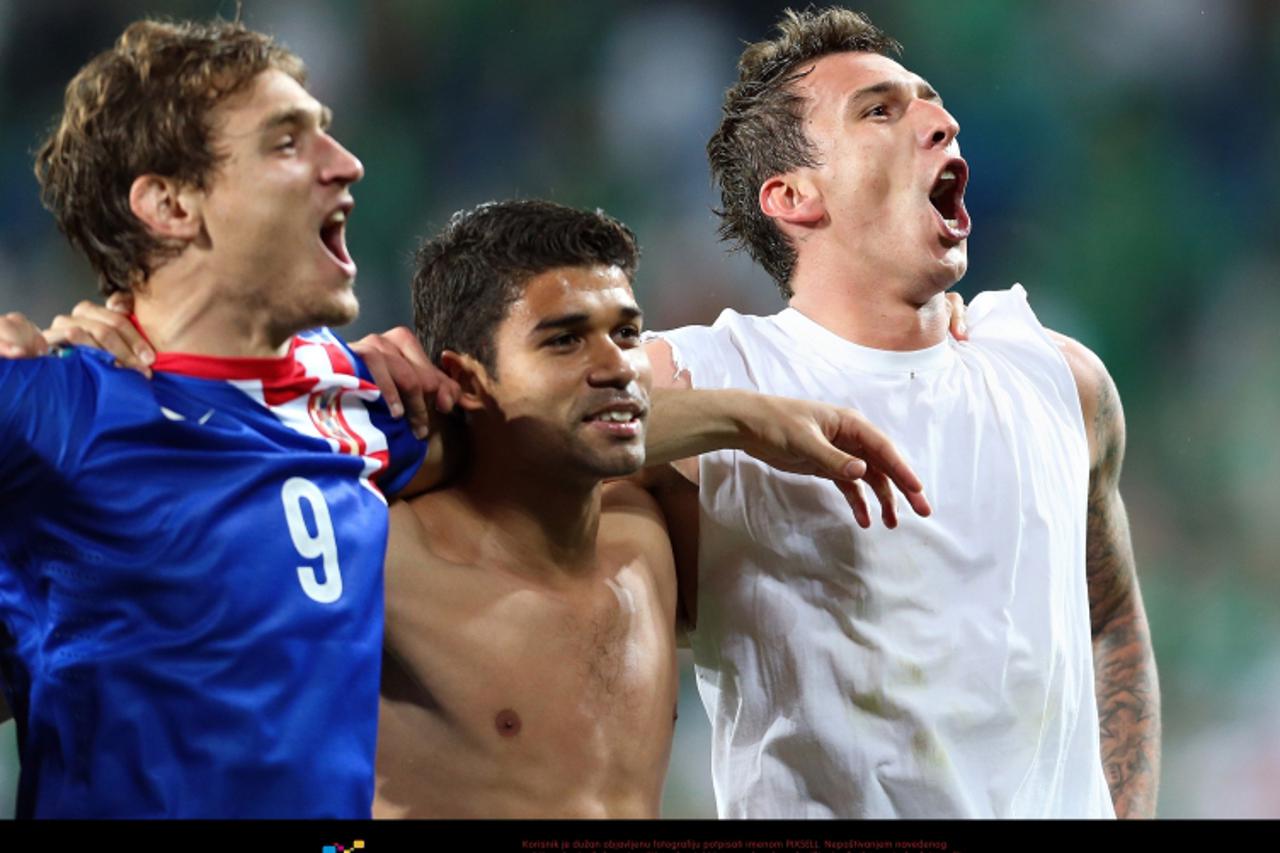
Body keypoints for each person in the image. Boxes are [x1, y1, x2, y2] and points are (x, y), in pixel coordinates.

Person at [0, 18, 931, 818]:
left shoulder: (363, 402)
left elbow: (541, 421)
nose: (345, 163)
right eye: (288, 143)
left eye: (327, 132)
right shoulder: (56, 408)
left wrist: (746, 417)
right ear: (169, 203)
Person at [642, 7, 1161, 819]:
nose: (942, 121)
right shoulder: (716, 370)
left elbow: (1111, 622)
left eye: (931, 101)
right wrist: (747, 421)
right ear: (793, 195)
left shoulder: (1057, 376)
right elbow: (527, 408)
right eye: (880, 109)